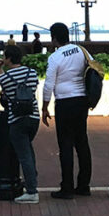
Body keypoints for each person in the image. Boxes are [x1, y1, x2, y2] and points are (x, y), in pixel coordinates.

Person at [41, 21, 91, 199]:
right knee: (82, 142)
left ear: (54, 38)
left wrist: (45, 107)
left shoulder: (55, 57)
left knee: (66, 145)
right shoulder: (81, 50)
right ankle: (84, 185)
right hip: (81, 100)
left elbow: (48, 84)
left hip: (64, 102)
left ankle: (67, 187)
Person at [0, 44, 40, 203]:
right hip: (33, 117)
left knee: (24, 156)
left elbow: (6, 92)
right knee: (28, 149)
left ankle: (31, 191)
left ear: (8, 58)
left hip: (17, 119)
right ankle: (32, 179)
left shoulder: (5, 78)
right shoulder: (32, 73)